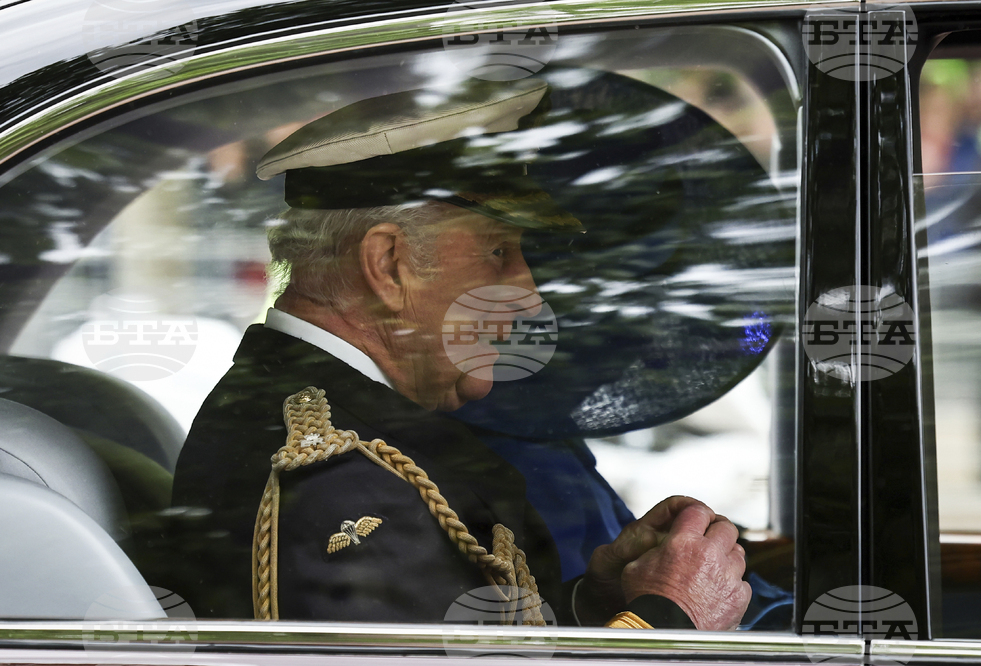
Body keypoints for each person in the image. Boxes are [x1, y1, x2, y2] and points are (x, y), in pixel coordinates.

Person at [170, 77, 751, 629]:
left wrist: (595, 602)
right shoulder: (336, 480)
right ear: (388, 265)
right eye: (497, 253)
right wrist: (669, 616)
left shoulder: (351, 435)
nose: (529, 298)